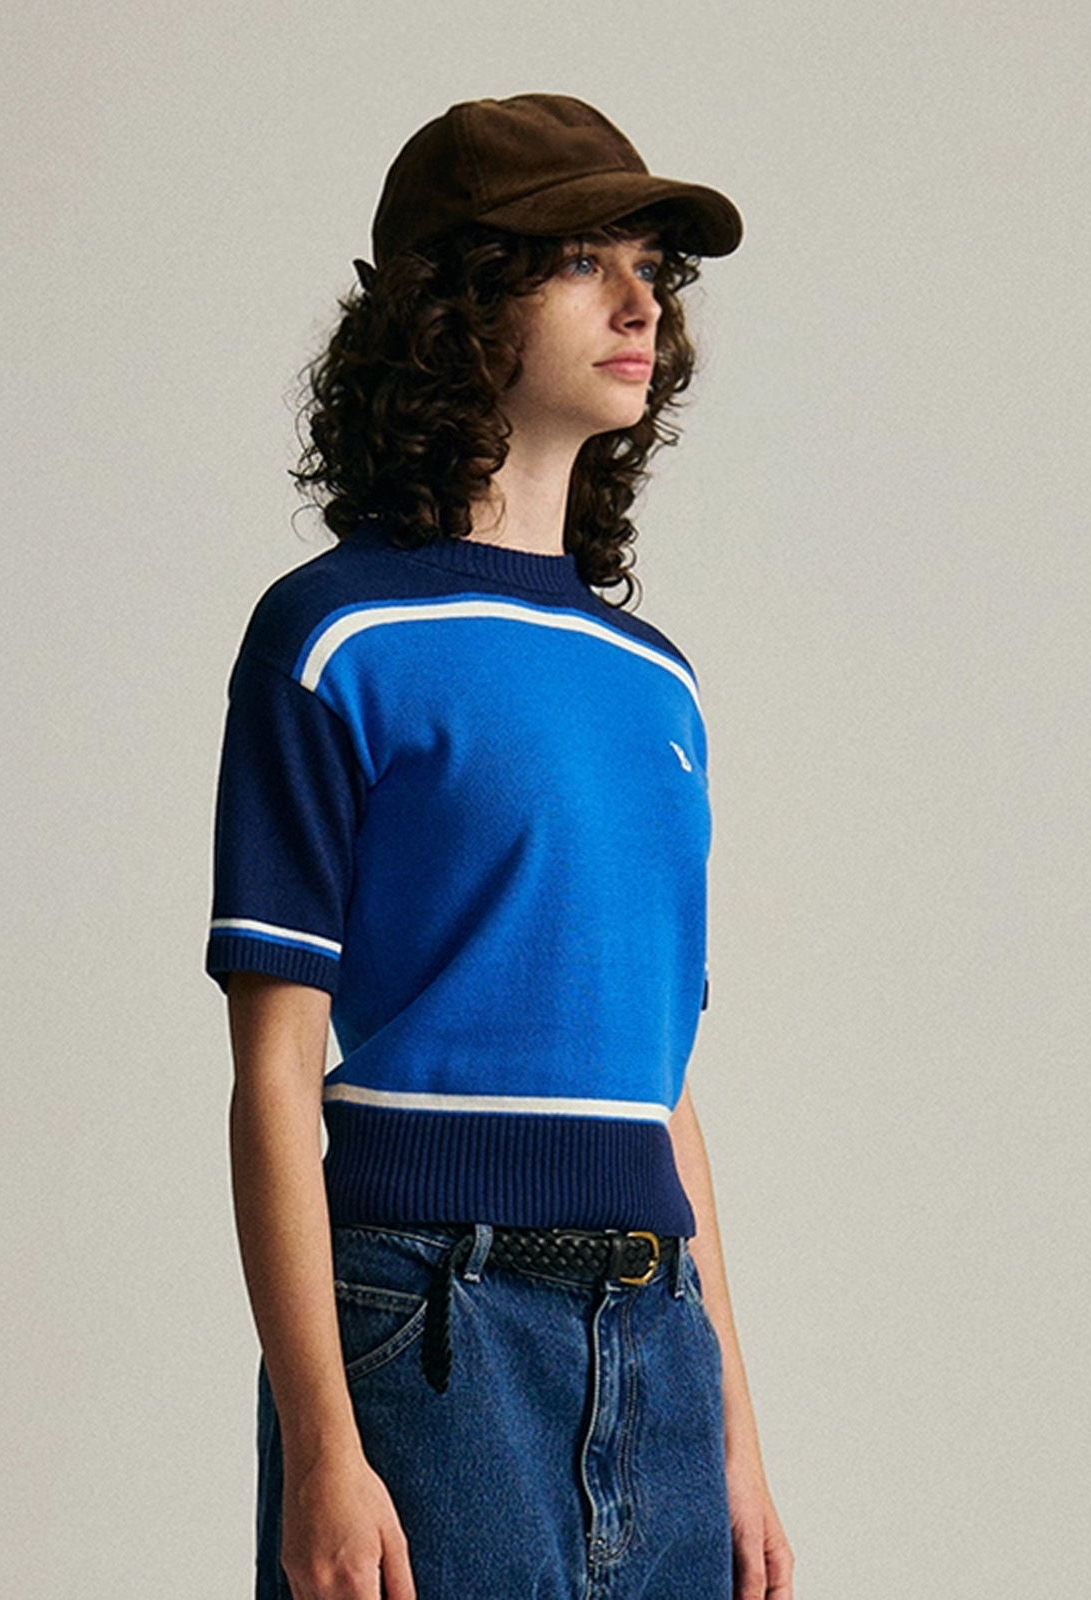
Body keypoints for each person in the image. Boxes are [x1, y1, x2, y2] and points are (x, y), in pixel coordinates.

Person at [207, 93, 793, 1600]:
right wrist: (323, 1445)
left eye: (651, 265)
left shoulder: (656, 682)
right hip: (430, 1327)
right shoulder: (335, 638)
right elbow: (274, 1072)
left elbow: (660, 1088)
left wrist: (736, 1441)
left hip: (657, 1342)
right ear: (459, 306)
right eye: (582, 260)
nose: (639, 302)